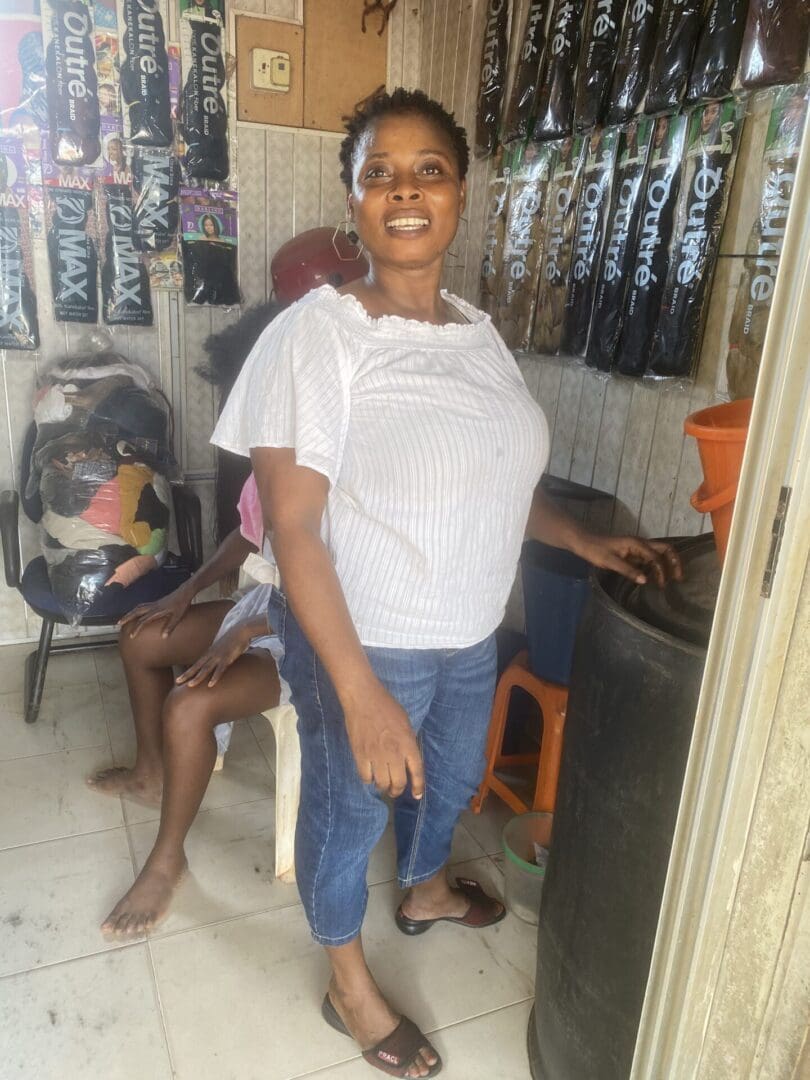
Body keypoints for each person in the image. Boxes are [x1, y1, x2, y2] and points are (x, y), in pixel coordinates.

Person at [213, 88, 682, 1079]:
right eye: (378, 172)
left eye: (427, 169)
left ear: (461, 190)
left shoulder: (474, 330)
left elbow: (489, 473)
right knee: (348, 817)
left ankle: (422, 892)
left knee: (454, 783)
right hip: (366, 637)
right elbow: (293, 524)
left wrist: (576, 541)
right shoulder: (318, 336)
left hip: (470, 630)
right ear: (354, 201)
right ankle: (350, 988)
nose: (405, 191)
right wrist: (358, 693)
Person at [88, 471, 283, 935]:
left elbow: (349, 598)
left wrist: (247, 633)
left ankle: (167, 861)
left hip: (314, 638)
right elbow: (249, 533)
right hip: (266, 606)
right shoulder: (277, 454)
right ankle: (151, 775)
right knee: (140, 636)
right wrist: (187, 589)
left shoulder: (355, 462)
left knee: (188, 705)